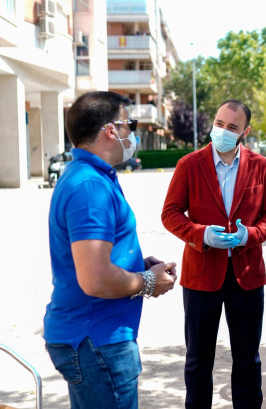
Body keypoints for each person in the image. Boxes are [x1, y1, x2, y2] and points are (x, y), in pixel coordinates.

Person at [44, 91, 177, 409]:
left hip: (94, 339)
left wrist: (135, 264)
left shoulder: (91, 178)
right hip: (96, 341)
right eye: (130, 123)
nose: (133, 133)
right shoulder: (90, 187)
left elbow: (95, 260)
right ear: (110, 130)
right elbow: (95, 279)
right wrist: (147, 280)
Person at [161, 99, 266, 409]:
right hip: (201, 277)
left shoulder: (260, 166)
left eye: (232, 127)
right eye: (219, 123)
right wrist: (200, 234)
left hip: (247, 277)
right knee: (198, 361)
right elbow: (171, 213)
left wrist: (249, 235)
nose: (223, 131)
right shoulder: (189, 164)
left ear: (245, 131)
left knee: (247, 360)